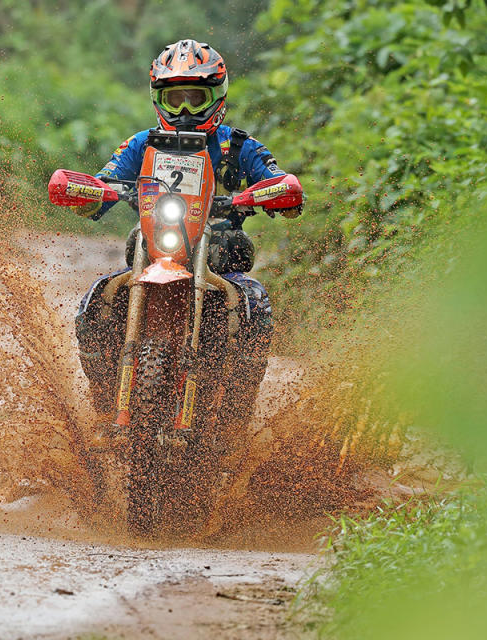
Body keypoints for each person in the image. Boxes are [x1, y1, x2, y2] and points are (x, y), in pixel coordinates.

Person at [71, 39, 302, 439]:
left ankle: (233, 417)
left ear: (217, 96)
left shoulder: (239, 146)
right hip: (155, 253)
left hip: (219, 264)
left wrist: (275, 193)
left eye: (195, 99)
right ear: (158, 98)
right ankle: (104, 398)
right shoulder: (141, 143)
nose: (183, 111)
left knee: (256, 302)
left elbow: (277, 181)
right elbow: (104, 182)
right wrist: (90, 193)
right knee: (97, 298)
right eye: (174, 99)